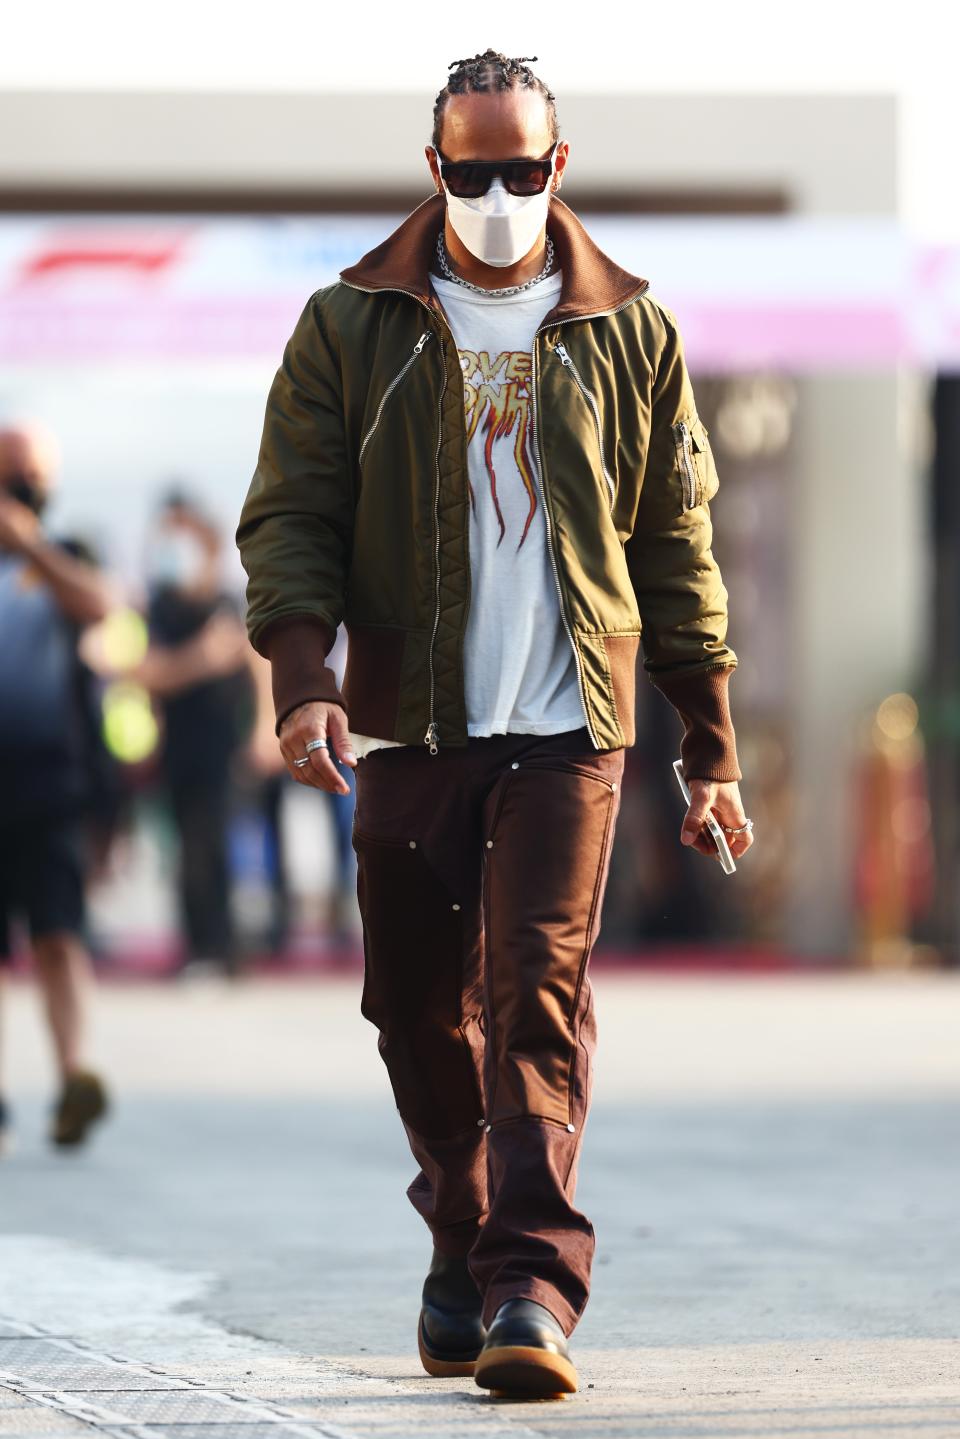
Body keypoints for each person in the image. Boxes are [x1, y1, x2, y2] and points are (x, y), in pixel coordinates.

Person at [237, 50, 755, 1398]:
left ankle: (532, 1282)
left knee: (537, 985)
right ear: (435, 170)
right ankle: (463, 1241)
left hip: (575, 719)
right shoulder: (348, 325)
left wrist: (709, 740)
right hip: (412, 722)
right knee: (413, 1004)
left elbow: (673, 542)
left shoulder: (631, 329)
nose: (499, 194)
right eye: (472, 171)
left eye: (522, 169)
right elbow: (293, 515)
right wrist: (304, 676)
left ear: (558, 165)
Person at [0, 422, 115, 1150]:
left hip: (49, 776)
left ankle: (73, 1075)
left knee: (58, 933)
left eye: (33, 473)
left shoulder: (63, 555)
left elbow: (101, 607)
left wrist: (30, 545)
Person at [140, 490, 254, 978]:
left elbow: (254, 661)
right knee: (185, 849)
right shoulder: (159, 608)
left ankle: (220, 949)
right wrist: (200, 659)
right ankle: (197, 947)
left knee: (214, 847)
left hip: (222, 746)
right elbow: (147, 673)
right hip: (176, 747)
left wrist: (264, 735)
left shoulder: (227, 602)